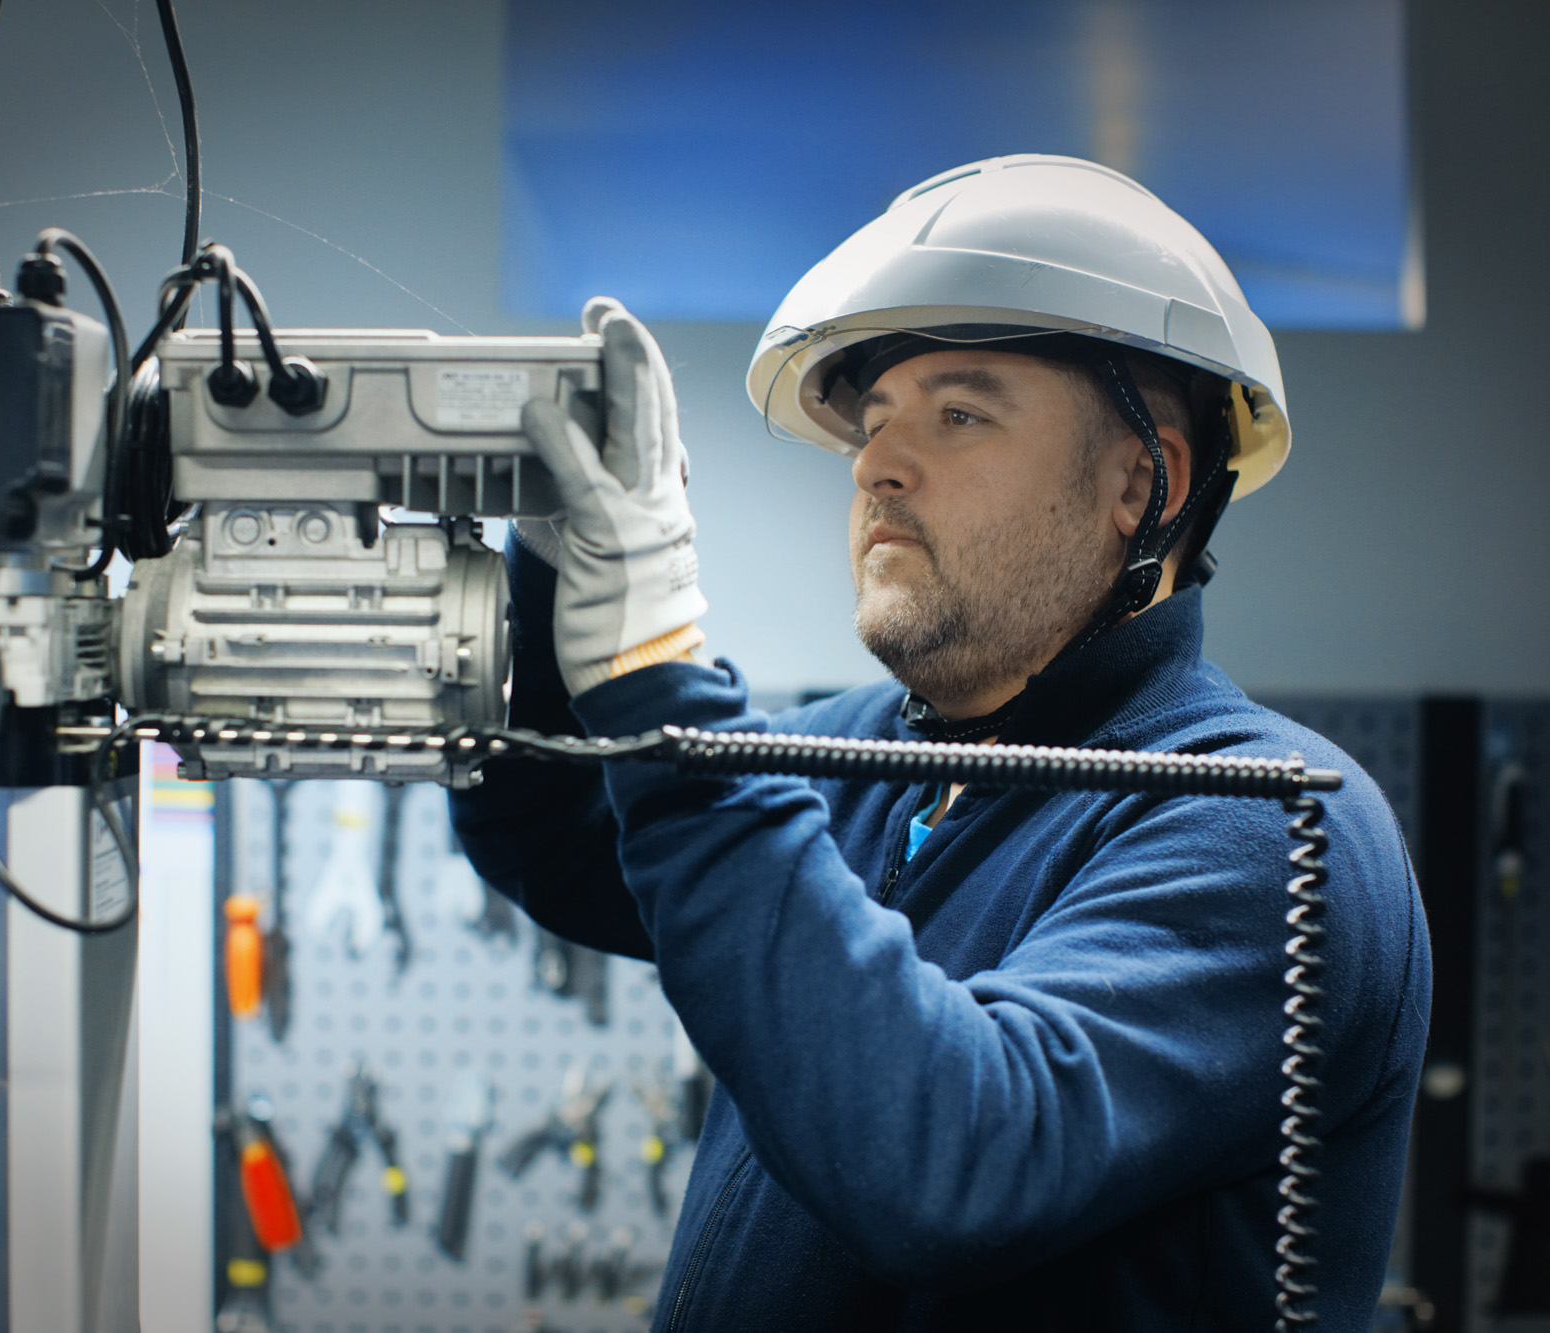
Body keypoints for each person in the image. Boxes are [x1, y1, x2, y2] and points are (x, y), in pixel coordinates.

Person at [452, 154, 1430, 1331]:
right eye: (872, 425)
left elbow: (955, 1160)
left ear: (1142, 482)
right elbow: (561, 835)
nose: (875, 464)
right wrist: (551, 571)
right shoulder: (868, 756)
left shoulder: (1262, 827)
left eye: (958, 415)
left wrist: (655, 661)